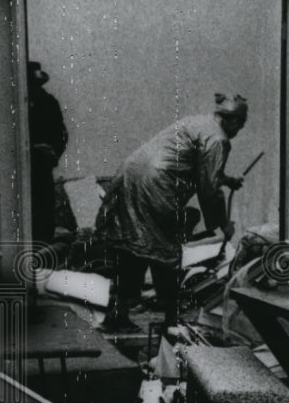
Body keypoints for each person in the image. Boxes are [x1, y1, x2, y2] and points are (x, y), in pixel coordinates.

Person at [96, 92, 248, 334]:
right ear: (232, 120)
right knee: (165, 249)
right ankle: (172, 321)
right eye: (240, 124)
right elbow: (208, 188)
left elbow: (192, 165)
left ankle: (117, 313)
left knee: (131, 244)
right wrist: (222, 224)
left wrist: (227, 180)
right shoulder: (219, 139)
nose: (239, 130)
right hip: (157, 186)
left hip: (129, 176)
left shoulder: (196, 122)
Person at [27, 61, 69, 244]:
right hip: (22, 169)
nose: (35, 88)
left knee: (44, 215)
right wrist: (32, 149)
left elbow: (61, 134)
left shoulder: (49, 103)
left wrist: (52, 153)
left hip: (42, 169)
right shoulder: (14, 105)